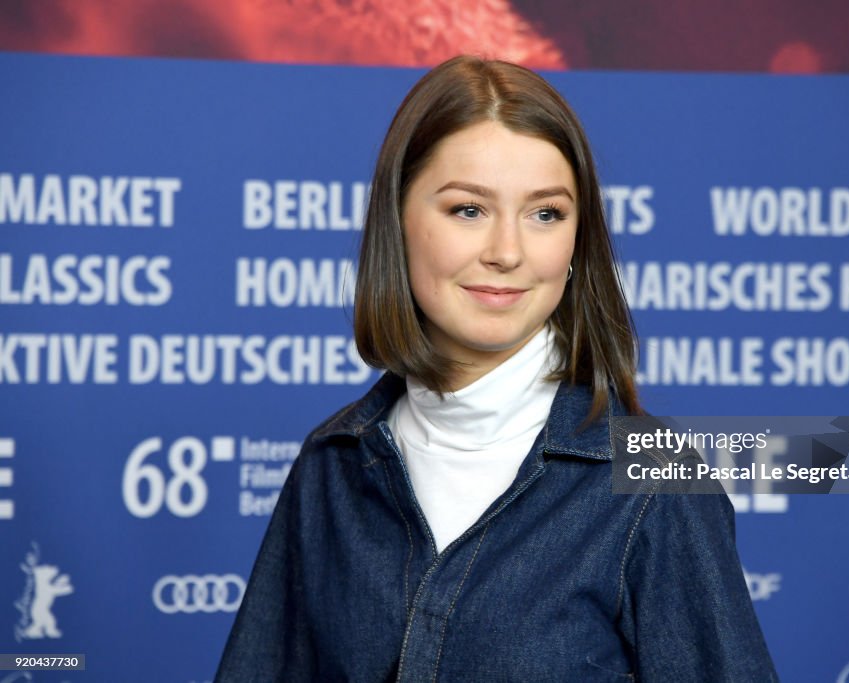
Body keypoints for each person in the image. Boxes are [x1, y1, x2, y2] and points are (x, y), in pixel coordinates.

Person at [216, 55, 776, 682]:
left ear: (576, 241)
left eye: (546, 214)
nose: (508, 252)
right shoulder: (331, 465)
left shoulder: (655, 479)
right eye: (468, 210)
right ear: (397, 223)